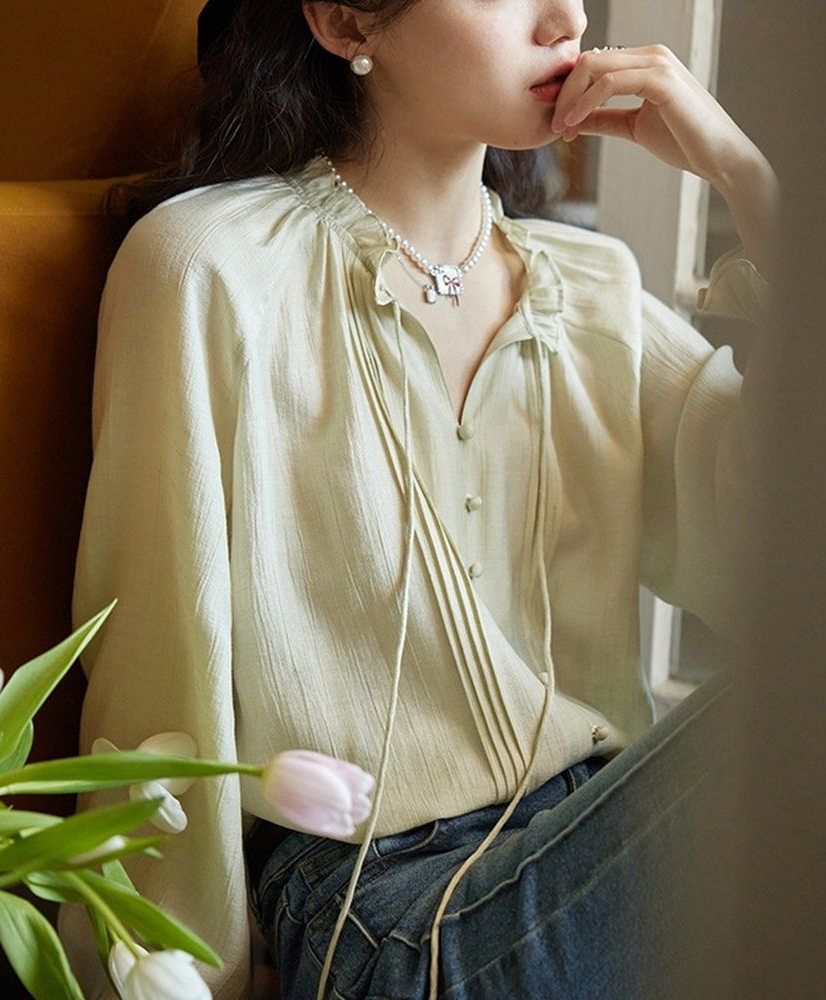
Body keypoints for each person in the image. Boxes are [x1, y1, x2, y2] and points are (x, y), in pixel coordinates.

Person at [58, 0, 779, 997]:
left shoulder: (591, 293)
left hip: (597, 865)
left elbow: (806, 548)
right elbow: (161, 665)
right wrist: (173, 976)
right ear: (346, 22)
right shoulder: (211, 268)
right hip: (390, 916)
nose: (565, 18)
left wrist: (751, 186)